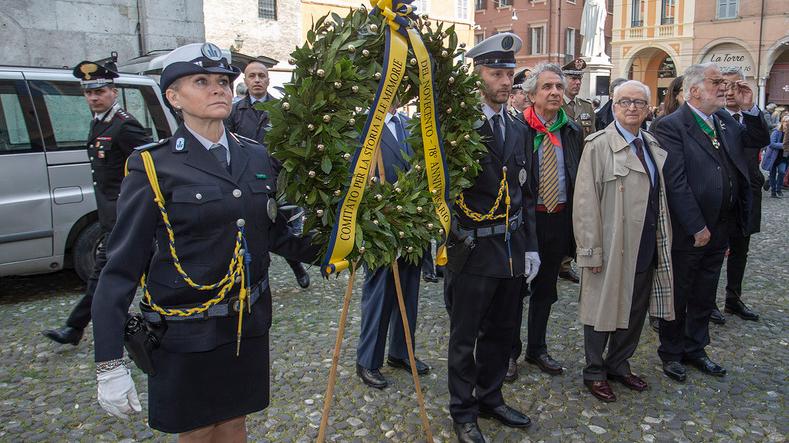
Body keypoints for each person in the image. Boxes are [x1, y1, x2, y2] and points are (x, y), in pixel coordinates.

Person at [90, 43, 317, 439]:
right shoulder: (153, 166)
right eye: (202, 81)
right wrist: (109, 362)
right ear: (174, 98)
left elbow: (273, 232)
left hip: (245, 321)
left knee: (235, 422)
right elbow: (121, 267)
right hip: (185, 331)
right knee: (196, 431)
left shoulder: (256, 156)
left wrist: (343, 249)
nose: (219, 89)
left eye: (223, 81)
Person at [447, 32, 540, 443]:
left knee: (503, 333)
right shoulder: (455, 128)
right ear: (477, 75)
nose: (505, 82)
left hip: (512, 249)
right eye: (496, 73)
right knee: (466, 338)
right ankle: (463, 410)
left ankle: (490, 396)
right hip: (472, 248)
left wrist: (532, 247)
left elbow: (527, 193)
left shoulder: (517, 127)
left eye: (508, 74)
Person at [653, 63, 770, 382]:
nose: (725, 87)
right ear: (693, 91)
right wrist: (695, 226)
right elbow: (675, 182)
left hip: (722, 224)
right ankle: (671, 352)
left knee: (705, 291)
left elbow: (757, 139)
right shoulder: (671, 126)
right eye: (716, 82)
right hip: (689, 229)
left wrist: (750, 108)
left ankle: (696, 347)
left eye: (725, 83)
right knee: (679, 292)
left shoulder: (724, 120)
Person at [573, 80, 675, 402]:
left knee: (635, 310)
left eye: (639, 103)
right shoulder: (599, 144)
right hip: (612, 243)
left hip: (646, 241)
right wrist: (590, 250)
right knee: (601, 309)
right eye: (625, 102)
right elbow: (585, 202)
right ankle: (594, 370)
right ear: (613, 106)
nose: (632, 108)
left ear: (648, 109)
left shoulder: (651, 143)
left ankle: (619, 363)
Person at [42, 59, 152, 346]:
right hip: (112, 217)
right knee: (114, 274)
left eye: (99, 92)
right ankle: (78, 327)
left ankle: (81, 327)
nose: (93, 98)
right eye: (88, 93)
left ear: (113, 92)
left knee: (109, 275)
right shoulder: (99, 123)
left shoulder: (125, 126)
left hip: (126, 216)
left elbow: (150, 165)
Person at [356, 105, 430, 389]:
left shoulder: (409, 123)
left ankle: (401, 352)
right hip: (380, 222)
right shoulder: (366, 125)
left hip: (413, 222)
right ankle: (368, 360)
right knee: (379, 292)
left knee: (409, 291)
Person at [518, 63, 583, 377]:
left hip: (557, 219)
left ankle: (537, 348)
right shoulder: (519, 128)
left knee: (546, 290)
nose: (556, 92)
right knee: (515, 290)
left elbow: (577, 174)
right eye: (547, 87)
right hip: (524, 223)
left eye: (558, 86)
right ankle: (508, 351)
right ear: (532, 94)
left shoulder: (571, 130)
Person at [226, 60, 311, 289]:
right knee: (250, 228)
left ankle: (297, 267)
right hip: (246, 180)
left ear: (268, 80)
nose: (257, 80)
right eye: (252, 76)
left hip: (276, 177)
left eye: (261, 76)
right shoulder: (235, 111)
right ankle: (254, 275)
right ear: (245, 81)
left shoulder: (282, 108)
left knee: (281, 227)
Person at [715, 67, 766, 324]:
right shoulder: (715, 117)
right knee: (713, 251)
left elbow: (761, 139)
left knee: (740, 250)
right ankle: (707, 301)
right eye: (725, 85)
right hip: (723, 195)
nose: (730, 91)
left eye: (736, 85)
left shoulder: (750, 117)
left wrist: (750, 108)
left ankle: (733, 298)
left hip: (748, 195)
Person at [562, 58, 596, 140]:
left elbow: (592, 135)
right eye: (573, 78)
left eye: (580, 79)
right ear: (562, 80)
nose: (578, 82)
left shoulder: (587, 106)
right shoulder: (556, 105)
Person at [763, 115, 789, 197]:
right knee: (772, 174)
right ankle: (773, 192)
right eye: (786, 122)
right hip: (773, 157)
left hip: (784, 158)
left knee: (782, 172)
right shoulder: (776, 132)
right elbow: (771, 144)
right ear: (782, 122)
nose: (787, 124)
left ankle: (779, 189)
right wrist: (784, 145)